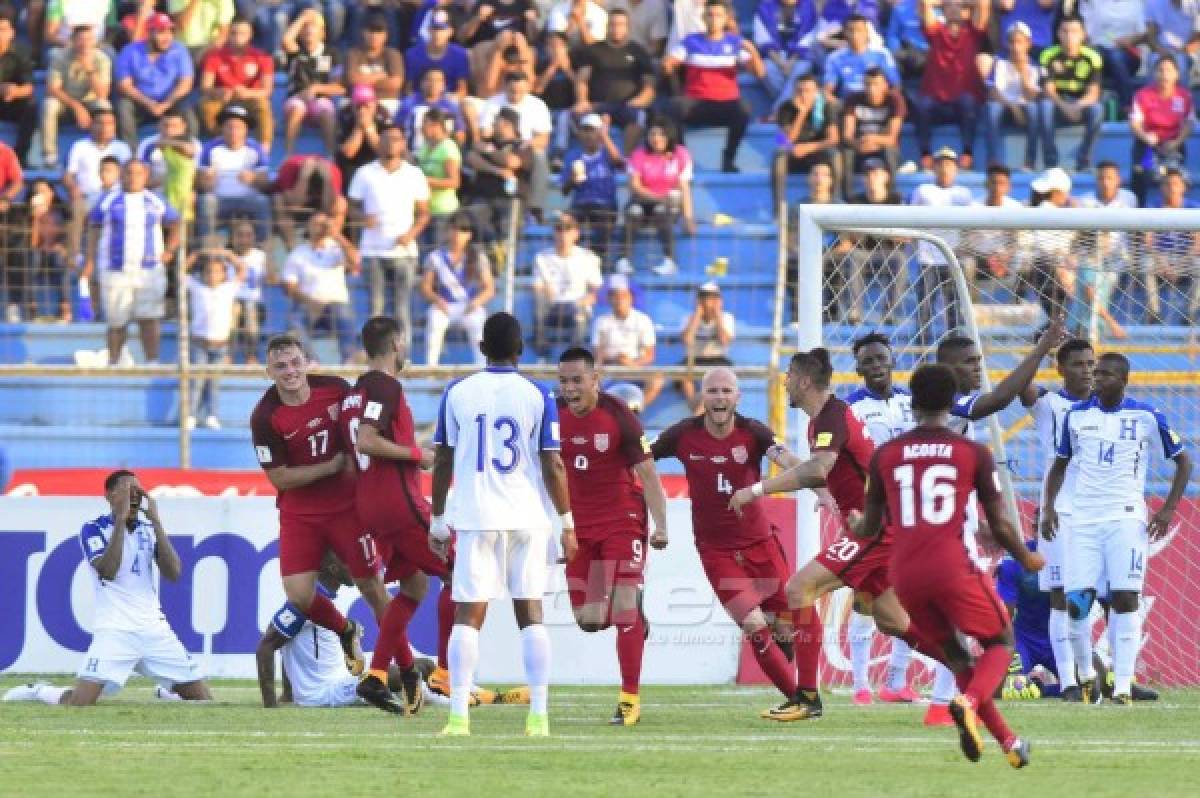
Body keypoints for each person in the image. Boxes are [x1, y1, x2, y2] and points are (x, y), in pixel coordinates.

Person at [854, 363, 1042, 768]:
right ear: (954, 402)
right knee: (1000, 642)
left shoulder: (885, 454)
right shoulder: (972, 452)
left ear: (913, 402)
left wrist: (855, 522)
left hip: (903, 574)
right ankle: (970, 702)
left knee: (958, 659)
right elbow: (999, 522)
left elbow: (869, 527)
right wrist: (1026, 557)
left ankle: (1009, 743)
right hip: (951, 565)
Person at [428, 311, 575, 737]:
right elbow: (553, 463)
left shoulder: (457, 392)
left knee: (467, 616)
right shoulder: (539, 393)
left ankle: (458, 716)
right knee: (531, 612)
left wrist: (439, 521)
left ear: (481, 348)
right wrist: (566, 522)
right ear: (520, 349)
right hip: (527, 517)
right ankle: (539, 717)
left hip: (476, 517)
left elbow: (442, 459)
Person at [726, 349, 877, 722]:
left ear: (805, 381)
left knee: (798, 589)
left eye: (790, 376)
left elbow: (818, 469)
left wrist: (756, 490)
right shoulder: (821, 421)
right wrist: (835, 500)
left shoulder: (833, 416)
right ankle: (966, 668)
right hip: (871, 525)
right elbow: (835, 471)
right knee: (893, 620)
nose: (785, 382)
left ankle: (807, 697)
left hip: (876, 529)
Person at [1043, 352, 1192, 705]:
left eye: (1106, 374)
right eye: (1096, 373)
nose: (1097, 378)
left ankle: (1123, 687)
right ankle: (1087, 675)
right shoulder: (1077, 417)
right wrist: (1049, 508)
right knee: (1075, 603)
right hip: (1083, 519)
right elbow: (1060, 465)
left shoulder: (1145, 416)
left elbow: (1183, 461)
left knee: (1125, 598)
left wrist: (1168, 509)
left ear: (1123, 380)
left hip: (1126, 517)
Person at [653, 367, 799, 717]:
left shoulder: (753, 433)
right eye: (713, 391)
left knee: (786, 627)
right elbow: (642, 459)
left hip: (760, 543)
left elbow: (785, 458)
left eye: (726, 391)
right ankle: (798, 698)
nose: (719, 398)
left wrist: (811, 471)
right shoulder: (682, 435)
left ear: (738, 397)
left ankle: (792, 670)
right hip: (715, 550)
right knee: (752, 624)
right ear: (703, 397)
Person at [2, 471, 212, 706]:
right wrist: (120, 522)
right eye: (126, 490)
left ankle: (168, 693)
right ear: (110, 496)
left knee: (203, 700)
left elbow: (174, 573)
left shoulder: (147, 528)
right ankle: (39, 691)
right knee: (80, 704)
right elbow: (107, 571)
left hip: (154, 630)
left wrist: (157, 522)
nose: (133, 496)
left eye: (137, 491)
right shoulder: (93, 529)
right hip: (116, 630)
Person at [249, 333, 390, 682]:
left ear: (306, 362)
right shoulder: (265, 417)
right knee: (298, 594)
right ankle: (346, 630)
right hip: (300, 514)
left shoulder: (336, 390)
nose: (290, 371)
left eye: (295, 362)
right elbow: (279, 478)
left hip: (347, 508)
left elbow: (365, 431)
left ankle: (394, 662)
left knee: (372, 586)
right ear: (269, 372)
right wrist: (329, 468)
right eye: (280, 366)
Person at [336, 316, 445, 715]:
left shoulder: (354, 394)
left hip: (371, 504)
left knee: (414, 587)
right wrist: (420, 454)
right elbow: (368, 440)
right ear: (397, 343)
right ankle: (449, 678)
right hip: (398, 503)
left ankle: (379, 675)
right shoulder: (386, 386)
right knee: (464, 573)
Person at [557, 346, 669, 725]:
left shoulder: (618, 414)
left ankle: (629, 700)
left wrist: (662, 524)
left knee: (622, 607)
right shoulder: (552, 417)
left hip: (623, 519)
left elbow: (649, 474)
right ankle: (634, 615)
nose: (570, 388)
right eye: (564, 381)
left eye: (577, 380)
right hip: (580, 527)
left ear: (595, 379)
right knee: (588, 620)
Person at [840, 334, 920, 704]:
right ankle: (859, 685)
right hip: (874, 511)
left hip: (914, 510)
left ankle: (896, 682)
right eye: (868, 361)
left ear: (891, 361)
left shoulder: (912, 402)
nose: (875, 366)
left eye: (881, 359)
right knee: (866, 596)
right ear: (858, 368)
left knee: (911, 595)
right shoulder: (850, 410)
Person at [1018, 338, 1095, 700]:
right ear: (1060, 369)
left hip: (1101, 513)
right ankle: (1068, 681)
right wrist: (1043, 347)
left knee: (1110, 597)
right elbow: (1021, 386)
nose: (1087, 371)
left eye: (1091, 364)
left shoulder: (1105, 410)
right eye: (1078, 364)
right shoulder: (1050, 404)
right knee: (1061, 596)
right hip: (1060, 513)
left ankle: (1105, 677)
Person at [85, 160, 179, 365]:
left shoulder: (156, 200)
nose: (133, 177)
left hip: (149, 270)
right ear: (122, 175)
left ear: (145, 176)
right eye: (129, 173)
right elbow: (93, 227)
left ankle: (152, 361)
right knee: (116, 320)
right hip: (115, 269)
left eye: (138, 173)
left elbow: (175, 223)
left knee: (150, 318)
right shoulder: (108, 200)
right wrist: (90, 259)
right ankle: (114, 362)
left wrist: (170, 249)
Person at [663, 0, 764, 173]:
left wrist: (753, 51)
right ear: (703, 17)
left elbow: (760, 74)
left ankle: (728, 158)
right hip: (696, 102)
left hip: (725, 103)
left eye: (718, 15)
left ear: (726, 19)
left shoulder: (734, 43)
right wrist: (669, 65)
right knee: (673, 108)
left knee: (744, 109)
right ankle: (684, 157)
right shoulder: (691, 41)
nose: (713, 19)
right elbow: (669, 64)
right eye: (709, 15)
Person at [347, 125, 431, 333]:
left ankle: (402, 358)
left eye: (396, 139)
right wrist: (363, 218)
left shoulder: (414, 174)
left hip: (404, 251)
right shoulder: (365, 173)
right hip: (373, 250)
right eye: (386, 138)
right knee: (376, 309)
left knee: (402, 309)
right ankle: (376, 358)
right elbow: (350, 207)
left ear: (403, 144)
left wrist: (410, 235)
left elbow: (423, 213)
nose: (391, 143)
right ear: (379, 143)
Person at [912, 0, 988, 171]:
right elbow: (925, 3)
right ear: (943, 10)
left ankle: (968, 152)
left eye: (959, 6)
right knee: (921, 105)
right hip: (936, 100)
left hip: (961, 102)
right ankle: (925, 154)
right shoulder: (936, 31)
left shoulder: (972, 32)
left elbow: (983, 3)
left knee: (968, 102)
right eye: (950, 7)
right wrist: (947, 2)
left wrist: (960, 4)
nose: (954, 9)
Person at [571, 9, 655, 154]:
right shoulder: (593, 50)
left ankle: (627, 162)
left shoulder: (639, 51)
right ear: (607, 26)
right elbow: (582, 79)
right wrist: (582, 100)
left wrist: (639, 101)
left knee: (638, 117)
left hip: (628, 105)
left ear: (628, 28)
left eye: (620, 25)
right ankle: (584, 159)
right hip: (598, 105)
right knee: (573, 115)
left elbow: (649, 86)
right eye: (612, 24)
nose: (616, 28)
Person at [908, 147, 973, 333]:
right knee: (924, 309)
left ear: (955, 169)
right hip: (927, 258)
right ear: (934, 168)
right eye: (941, 164)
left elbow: (969, 226)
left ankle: (956, 350)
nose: (945, 168)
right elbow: (910, 220)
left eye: (949, 164)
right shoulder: (923, 190)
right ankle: (920, 353)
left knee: (954, 309)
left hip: (953, 258)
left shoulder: (963, 194)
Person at [281, 211, 360, 363]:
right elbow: (288, 286)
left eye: (323, 224)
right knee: (293, 321)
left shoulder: (337, 249)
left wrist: (336, 234)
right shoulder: (298, 253)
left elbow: (355, 260)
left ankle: (349, 361)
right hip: (308, 304)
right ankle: (311, 361)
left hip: (335, 305)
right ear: (308, 227)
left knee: (344, 315)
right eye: (316, 224)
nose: (320, 228)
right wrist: (310, 301)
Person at [620, 121, 694, 276]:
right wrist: (656, 197)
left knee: (662, 211)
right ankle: (624, 260)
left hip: (667, 204)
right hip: (643, 199)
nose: (656, 138)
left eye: (661, 134)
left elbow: (684, 187)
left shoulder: (680, 154)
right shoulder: (639, 154)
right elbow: (635, 185)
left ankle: (670, 261)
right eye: (652, 134)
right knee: (633, 211)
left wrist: (688, 217)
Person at [420, 212, 494, 365]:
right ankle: (430, 369)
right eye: (453, 229)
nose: (457, 234)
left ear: (469, 235)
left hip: (470, 306)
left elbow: (489, 288)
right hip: (444, 306)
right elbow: (425, 287)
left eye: (462, 230)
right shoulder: (435, 257)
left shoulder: (478, 257)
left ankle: (482, 367)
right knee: (434, 320)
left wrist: (475, 303)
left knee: (479, 324)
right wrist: (437, 300)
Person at [114, 13, 196, 149]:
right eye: (161, 32)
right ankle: (131, 153)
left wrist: (166, 103)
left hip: (169, 101)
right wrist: (149, 103)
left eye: (170, 32)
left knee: (187, 111)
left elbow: (186, 83)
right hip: (141, 102)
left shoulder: (179, 50)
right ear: (150, 33)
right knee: (123, 106)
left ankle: (189, 150)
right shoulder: (130, 51)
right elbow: (124, 86)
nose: (167, 37)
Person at [479, 70, 552, 221]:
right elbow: (484, 133)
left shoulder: (537, 105)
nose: (516, 95)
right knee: (478, 150)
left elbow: (544, 139)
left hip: (524, 147)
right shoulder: (493, 102)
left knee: (539, 155)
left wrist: (529, 143)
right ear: (505, 86)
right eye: (512, 91)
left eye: (521, 91)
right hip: (498, 145)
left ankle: (536, 205)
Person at [65, 101, 132, 264]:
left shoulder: (122, 148)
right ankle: (74, 256)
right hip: (87, 197)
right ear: (92, 125)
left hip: (115, 197)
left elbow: (129, 175)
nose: (105, 127)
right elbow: (68, 175)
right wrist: (74, 188)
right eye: (100, 123)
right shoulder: (80, 146)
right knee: (76, 206)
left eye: (109, 123)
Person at [196, 103, 271, 245]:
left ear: (246, 130)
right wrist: (208, 181)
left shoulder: (256, 149)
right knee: (205, 200)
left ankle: (263, 250)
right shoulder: (210, 148)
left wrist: (254, 179)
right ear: (222, 128)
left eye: (238, 127)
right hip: (219, 199)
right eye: (229, 126)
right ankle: (205, 250)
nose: (233, 131)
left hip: (247, 199)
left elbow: (265, 184)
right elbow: (200, 184)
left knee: (262, 201)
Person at [185, 250, 244, 429]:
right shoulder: (196, 287)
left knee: (214, 382)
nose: (212, 275)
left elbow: (242, 270)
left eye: (217, 272)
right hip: (199, 344)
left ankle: (212, 415)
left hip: (220, 345)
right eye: (208, 271)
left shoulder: (228, 288)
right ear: (202, 274)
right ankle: (191, 415)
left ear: (224, 274)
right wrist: (196, 255)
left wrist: (226, 253)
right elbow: (182, 272)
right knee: (197, 381)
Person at [1077, 162, 1135, 339]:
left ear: (1118, 180)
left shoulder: (1129, 199)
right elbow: (1090, 294)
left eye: (1109, 177)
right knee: (1095, 286)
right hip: (1083, 327)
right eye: (1101, 177)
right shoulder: (1085, 202)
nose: (1105, 182)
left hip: (1120, 258)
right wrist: (1114, 325)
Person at [1037, 16, 1103, 171]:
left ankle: (1083, 160)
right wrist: (1066, 106)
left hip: (1081, 104)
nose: (1069, 36)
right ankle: (1051, 161)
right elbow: (1048, 90)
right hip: (1057, 104)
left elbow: (1093, 93)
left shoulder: (1092, 57)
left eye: (1074, 31)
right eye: (1064, 31)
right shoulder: (1048, 55)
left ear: (1083, 34)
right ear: (1058, 33)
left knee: (1098, 109)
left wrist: (1077, 106)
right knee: (1045, 106)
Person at [42, 23, 112, 170]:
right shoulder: (60, 57)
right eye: (81, 39)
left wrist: (90, 70)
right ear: (72, 41)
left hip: (91, 102)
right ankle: (50, 155)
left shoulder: (102, 59)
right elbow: (52, 89)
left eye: (89, 39)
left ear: (94, 41)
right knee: (49, 105)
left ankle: (107, 149)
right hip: (66, 102)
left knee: (104, 106)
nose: (85, 43)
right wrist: (76, 106)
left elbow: (102, 94)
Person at [533, 210, 603, 355]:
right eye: (559, 229)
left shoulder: (588, 257)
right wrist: (545, 290)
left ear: (576, 233)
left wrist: (587, 299)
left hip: (577, 304)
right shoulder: (542, 257)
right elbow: (537, 286)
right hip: (552, 304)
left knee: (581, 315)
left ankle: (573, 353)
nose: (563, 234)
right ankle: (541, 347)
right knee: (539, 302)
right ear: (554, 233)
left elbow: (597, 289)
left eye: (568, 229)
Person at [197, 16, 274, 146]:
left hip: (250, 97)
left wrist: (248, 93)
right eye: (234, 33)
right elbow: (205, 87)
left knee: (263, 106)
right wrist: (218, 91)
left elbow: (267, 91)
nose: (238, 37)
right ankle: (222, 143)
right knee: (207, 105)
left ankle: (264, 149)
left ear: (250, 35)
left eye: (243, 33)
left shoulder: (262, 57)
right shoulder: (214, 56)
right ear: (228, 35)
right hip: (224, 97)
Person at [846, 160, 906, 322]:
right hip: (864, 252)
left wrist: (870, 230)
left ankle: (890, 313)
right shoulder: (855, 201)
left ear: (886, 176)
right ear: (863, 179)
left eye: (876, 173)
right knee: (854, 256)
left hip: (889, 252)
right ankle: (855, 313)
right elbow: (852, 237)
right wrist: (886, 230)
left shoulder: (896, 199)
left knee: (900, 259)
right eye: (868, 174)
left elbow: (904, 237)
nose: (872, 177)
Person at [1129, 55, 1193, 207]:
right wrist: (1146, 137)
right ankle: (1139, 219)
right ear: (1154, 73)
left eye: (1168, 70)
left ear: (1176, 74)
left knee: (1176, 178)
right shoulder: (1142, 95)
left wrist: (1176, 142)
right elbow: (1134, 123)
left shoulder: (1184, 96)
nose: (1164, 74)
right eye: (1160, 70)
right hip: (1149, 146)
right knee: (1141, 173)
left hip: (1173, 145)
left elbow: (1189, 123)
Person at [592, 274, 663, 408]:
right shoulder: (601, 322)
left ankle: (636, 410)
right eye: (615, 296)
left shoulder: (643, 320)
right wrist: (613, 359)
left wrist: (632, 363)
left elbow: (649, 355)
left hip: (635, 367)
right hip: (609, 367)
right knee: (590, 379)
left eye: (623, 296)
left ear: (630, 298)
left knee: (657, 379)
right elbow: (598, 353)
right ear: (609, 299)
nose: (619, 300)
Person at [561, 113, 622, 265]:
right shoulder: (573, 156)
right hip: (581, 204)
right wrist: (572, 179)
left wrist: (605, 137)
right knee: (565, 221)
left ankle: (597, 262)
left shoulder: (607, 152)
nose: (588, 135)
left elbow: (619, 162)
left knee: (604, 224)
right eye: (585, 130)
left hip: (605, 203)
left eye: (592, 130)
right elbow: (564, 190)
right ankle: (568, 259)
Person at [978, 20, 1040, 170]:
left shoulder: (1035, 66)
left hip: (1024, 110)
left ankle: (1029, 162)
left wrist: (1023, 71)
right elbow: (992, 91)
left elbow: (1031, 96)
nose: (1016, 47)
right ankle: (993, 160)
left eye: (1020, 42)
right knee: (992, 109)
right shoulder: (999, 62)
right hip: (1005, 107)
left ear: (1028, 43)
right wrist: (1012, 106)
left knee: (1033, 110)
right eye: (1012, 42)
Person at [281, 8, 344, 155]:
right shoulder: (296, 52)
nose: (309, 30)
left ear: (323, 33)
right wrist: (303, 18)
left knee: (326, 111)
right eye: (306, 28)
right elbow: (286, 40)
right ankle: (289, 154)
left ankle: (331, 154)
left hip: (320, 99)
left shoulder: (332, 53)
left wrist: (315, 89)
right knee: (297, 108)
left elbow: (340, 87)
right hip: (296, 99)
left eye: (314, 27)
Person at [839, 66, 903, 208]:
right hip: (859, 148)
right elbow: (847, 136)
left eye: (876, 84)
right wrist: (858, 144)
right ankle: (847, 199)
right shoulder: (853, 99)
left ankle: (890, 197)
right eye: (867, 84)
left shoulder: (895, 100)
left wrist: (872, 139)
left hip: (883, 148)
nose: (871, 89)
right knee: (845, 152)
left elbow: (892, 138)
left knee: (890, 150)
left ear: (885, 85)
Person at [1143, 167, 1200, 325]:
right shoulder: (1152, 207)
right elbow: (1148, 241)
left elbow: (1197, 244)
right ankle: (1154, 312)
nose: (1172, 188)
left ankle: (1190, 313)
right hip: (1161, 258)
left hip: (1185, 258)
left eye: (1176, 184)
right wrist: (1164, 264)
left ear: (1183, 187)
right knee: (1146, 263)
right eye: (1167, 184)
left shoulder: (1193, 208)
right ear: (1162, 187)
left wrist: (1178, 265)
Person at [774, 72, 840, 209]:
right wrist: (801, 113)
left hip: (819, 154)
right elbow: (782, 140)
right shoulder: (785, 108)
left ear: (816, 92)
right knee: (779, 156)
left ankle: (835, 201)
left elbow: (833, 139)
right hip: (796, 155)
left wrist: (808, 147)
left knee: (835, 155)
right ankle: (779, 207)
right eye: (799, 91)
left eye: (808, 91)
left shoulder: (826, 106)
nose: (803, 95)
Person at [1078, 0, 1146, 113]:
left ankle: (1128, 106)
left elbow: (1143, 33)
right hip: (1101, 49)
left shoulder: (1136, 3)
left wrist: (1130, 40)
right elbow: (1087, 32)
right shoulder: (1095, 3)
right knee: (1093, 55)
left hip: (1128, 53)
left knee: (1116, 56)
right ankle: (1089, 103)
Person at [754, 0, 819, 115]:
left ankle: (778, 111)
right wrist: (780, 62)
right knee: (766, 68)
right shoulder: (765, 6)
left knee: (801, 69)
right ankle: (788, 109)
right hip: (773, 55)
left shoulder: (808, 6)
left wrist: (790, 62)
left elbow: (808, 38)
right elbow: (762, 38)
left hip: (799, 57)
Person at [678, 281, 735, 411]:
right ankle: (696, 410)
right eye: (705, 298)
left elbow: (724, 340)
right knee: (683, 376)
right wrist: (697, 316)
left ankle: (697, 417)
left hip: (717, 359)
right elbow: (686, 340)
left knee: (715, 382)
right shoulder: (688, 318)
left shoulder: (726, 318)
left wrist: (717, 316)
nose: (708, 303)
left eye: (712, 298)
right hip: (694, 358)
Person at [822, 12, 900, 101]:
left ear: (867, 32)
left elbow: (896, 86)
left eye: (859, 30)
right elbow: (826, 91)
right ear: (845, 33)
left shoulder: (882, 54)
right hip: (848, 103)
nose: (855, 35)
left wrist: (885, 102)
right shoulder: (834, 58)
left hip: (878, 103)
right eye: (851, 30)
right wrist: (839, 105)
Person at [416, 107, 463, 241]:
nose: (422, 129)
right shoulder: (425, 147)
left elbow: (454, 182)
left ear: (436, 125)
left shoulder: (448, 148)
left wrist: (426, 181)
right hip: (425, 209)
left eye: (425, 124)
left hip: (443, 211)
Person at [344, 12, 405, 117]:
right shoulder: (353, 54)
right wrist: (379, 76)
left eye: (379, 32)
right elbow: (352, 79)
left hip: (386, 101)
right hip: (357, 101)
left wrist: (364, 81)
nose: (374, 35)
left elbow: (395, 83)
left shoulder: (393, 54)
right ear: (363, 32)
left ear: (385, 35)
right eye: (371, 31)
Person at [336, 84, 392, 187]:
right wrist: (359, 127)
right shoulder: (344, 124)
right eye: (358, 106)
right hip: (351, 171)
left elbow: (382, 151)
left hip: (378, 170)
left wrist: (368, 128)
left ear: (375, 105)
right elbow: (348, 153)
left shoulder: (384, 125)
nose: (362, 110)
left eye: (366, 106)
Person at [405, 9, 470, 97]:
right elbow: (409, 88)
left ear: (450, 31)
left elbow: (462, 90)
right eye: (435, 29)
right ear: (429, 30)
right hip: (420, 98)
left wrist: (449, 100)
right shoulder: (413, 54)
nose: (437, 33)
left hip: (448, 99)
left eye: (442, 29)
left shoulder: (460, 55)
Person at [0, 8, 36, 166]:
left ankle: (20, 157)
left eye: (2, 30)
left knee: (31, 106)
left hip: (11, 102)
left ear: (12, 33)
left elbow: (29, 87)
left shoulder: (21, 52)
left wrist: (14, 91)